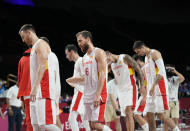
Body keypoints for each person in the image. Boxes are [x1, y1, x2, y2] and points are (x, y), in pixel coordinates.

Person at [19, 24, 60, 131]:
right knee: (35, 125)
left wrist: (34, 88)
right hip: (36, 92)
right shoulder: (34, 48)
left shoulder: (41, 44)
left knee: (46, 125)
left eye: (23, 37)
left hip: (43, 91)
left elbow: (42, 67)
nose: (23, 40)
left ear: (29, 32)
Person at [133, 40, 180, 131]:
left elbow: (162, 72)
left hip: (159, 88)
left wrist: (153, 85)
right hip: (151, 91)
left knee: (161, 115)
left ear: (142, 47)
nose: (139, 54)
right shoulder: (146, 58)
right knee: (148, 115)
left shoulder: (155, 53)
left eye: (138, 51)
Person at [68, 30, 111, 130]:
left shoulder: (99, 52)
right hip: (88, 94)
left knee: (96, 125)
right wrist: (73, 79)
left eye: (80, 41)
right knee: (91, 126)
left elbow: (102, 75)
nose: (79, 44)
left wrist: (97, 95)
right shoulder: (84, 58)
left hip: (98, 94)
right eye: (78, 42)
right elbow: (86, 78)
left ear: (88, 39)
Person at [106, 51, 146, 131]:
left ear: (110, 54)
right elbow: (102, 73)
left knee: (129, 112)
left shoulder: (124, 57)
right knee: (126, 116)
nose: (108, 62)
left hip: (130, 88)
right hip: (121, 91)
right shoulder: (111, 65)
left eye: (108, 59)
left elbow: (138, 69)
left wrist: (142, 85)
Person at [65, 44, 90, 131]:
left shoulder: (80, 61)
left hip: (80, 93)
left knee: (71, 118)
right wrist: (71, 81)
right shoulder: (78, 62)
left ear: (71, 52)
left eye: (67, 54)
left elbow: (86, 79)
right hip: (81, 92)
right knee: (85, 121)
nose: (66, 57)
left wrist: (72, 79)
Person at [40, 36, 63, 131]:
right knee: (55, 118)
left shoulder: (48, 56)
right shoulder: (54, 55)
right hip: (55, 90)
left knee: (47, 123)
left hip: (50, 91)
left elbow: (50, 74)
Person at [164, 65, 185, 131]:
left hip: (175, 102)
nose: (168, 70)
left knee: (175, 120)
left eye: (169, 69)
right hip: (166, 102)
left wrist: (175, 71)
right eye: (167, 69)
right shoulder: (163, 78)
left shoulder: (175, 78)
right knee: (166, 122)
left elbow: (182, 78)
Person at [17, 47, 33, 131]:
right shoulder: (38, 58)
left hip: (26, 92)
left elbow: (19, 78)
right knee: (39, 119)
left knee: (29, 118)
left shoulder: (21, 60)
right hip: (37, 92)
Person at [132, 54, 150, 131]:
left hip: (145, 95)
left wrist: (144, 96)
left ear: (138, 60)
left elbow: (146, 83)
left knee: (136, 114)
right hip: (147, 94)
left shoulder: (143, 69)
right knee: (146, 116)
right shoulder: (146, 67)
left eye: (134, 63)